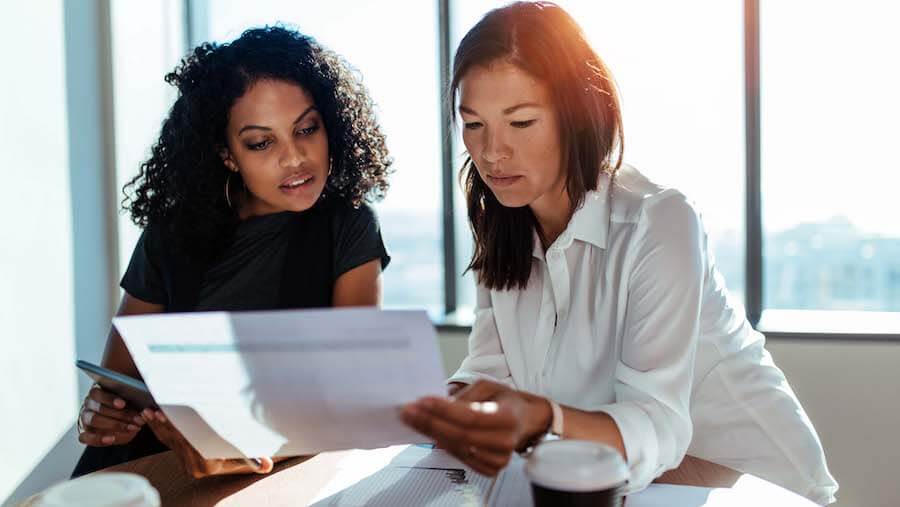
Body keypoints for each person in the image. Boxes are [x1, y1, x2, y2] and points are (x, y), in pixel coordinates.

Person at [400, 2, 838, 504]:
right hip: (607, 471)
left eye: (520, 123)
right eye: (473, 124)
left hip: (740, 477)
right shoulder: (502, 222)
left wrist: (543, 418)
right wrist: (448, 406)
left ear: (577, 116)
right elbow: (490, 369)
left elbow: (657, 426)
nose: (493, 152)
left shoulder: (659, 220)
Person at [73, 26, 392, 478]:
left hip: (274, 468)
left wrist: (245, 449)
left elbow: (348, 398)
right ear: (227, 154)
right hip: (148, 468)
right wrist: (100, 415)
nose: (295, 157)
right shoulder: (171, 233)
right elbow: (118, 385)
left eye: (306, 128)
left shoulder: (349, 225)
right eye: (261, 142)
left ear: (330, 124)